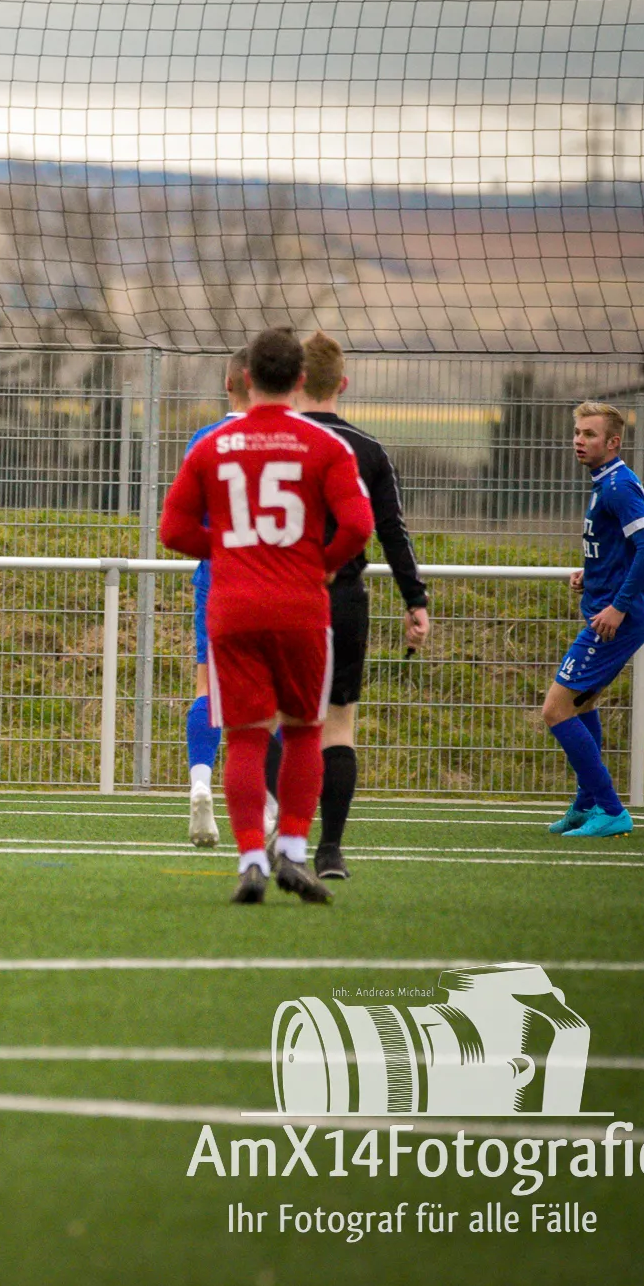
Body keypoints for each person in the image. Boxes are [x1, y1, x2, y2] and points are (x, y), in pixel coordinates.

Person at [158, 327, 374, 904]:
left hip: (234, 606)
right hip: (301, 604)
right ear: (300, 380)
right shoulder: (327, 445)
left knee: (246, 738)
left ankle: (251, 857)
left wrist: (230, 548)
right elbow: (359, 525)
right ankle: (294, 851)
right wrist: (321, 564)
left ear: (246, 378)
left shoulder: (213, 444)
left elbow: (172, 530)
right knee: (303, 731)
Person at [257, 331, 432, 880]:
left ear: (297, 381)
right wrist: (415, 599)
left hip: (278, 593)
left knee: (269, 721)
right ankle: (330, 851)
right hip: (342, 598)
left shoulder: (271, 442)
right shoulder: (367, 450)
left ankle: (285, 831)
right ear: (344, 384)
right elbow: (391, 530)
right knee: (337, 727)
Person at [541, 402, 644, 839]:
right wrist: (590, 574)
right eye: (577, 432)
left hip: (617, 618)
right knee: (583, 704)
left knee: (555, 710)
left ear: (613, 442)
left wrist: (618, 606)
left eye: (589, 434)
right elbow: (618, 548)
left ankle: (610, 809)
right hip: (608, 608)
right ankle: (587, 803)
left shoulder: (618, 486)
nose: (579, 440)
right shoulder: (605, 482)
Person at [181, 348, 252, 848]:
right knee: (270, 695)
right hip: (275, 578)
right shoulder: (290, 439)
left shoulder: (204, 440)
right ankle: (267, 804)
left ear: (229, 382)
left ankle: (201, 782)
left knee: (209, 687)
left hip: (218, 576)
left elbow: (180, 520)